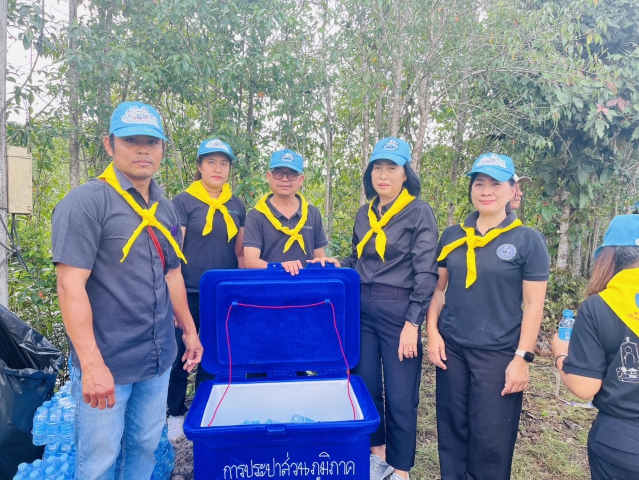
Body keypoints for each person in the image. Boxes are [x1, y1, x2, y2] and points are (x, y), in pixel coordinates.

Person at [52, 101, 203, 480]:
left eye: (151, 142)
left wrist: (189, 331)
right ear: (109, 144)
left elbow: (172, 274)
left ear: (163, 149)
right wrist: (91, 365)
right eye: (131, 140)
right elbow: (70, 287)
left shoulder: (165, 208)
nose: (142, 150)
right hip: (108, 361)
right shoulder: (86, 203)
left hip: (156, 358)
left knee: (145, 447)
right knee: (99, 461)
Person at [311, 137, 439, 480]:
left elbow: (426, 272)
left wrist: (413, 323)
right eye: (377, 167)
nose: (383, 175)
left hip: (400, 312)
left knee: (401, 395)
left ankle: (401, 469)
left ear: (405, 173)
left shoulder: (418, 212)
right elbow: (360, 258)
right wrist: (339, 264)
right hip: (363, 310)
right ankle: (376, 455)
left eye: (391, 168)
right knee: (365, 386)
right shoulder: (364, 213)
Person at [426, 153, 549, 480]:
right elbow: (438, 290)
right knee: (452, 430)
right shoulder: (452, 236)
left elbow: (533, 305)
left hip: (499, 353)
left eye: (495, 183)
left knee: (491, 438)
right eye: (479, 183)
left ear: (512, 190)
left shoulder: (528, 240)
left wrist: (523, 358)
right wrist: (432, 333)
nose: (486, 191)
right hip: (452, 349)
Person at [166, 138, 246, 440]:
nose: (218, 168)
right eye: (211, 162)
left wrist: (242, 292)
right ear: (199, 166)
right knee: (179, 355)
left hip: (223, 295)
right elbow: (174, 255)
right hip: (187, 292)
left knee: (213, 356)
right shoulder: (183, 202)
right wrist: (173, 301)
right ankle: (175, 413)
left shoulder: (236, 205)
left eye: (224, 163)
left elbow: (240, 253)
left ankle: (204, 409)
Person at [552, 214, 639, 480]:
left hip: (623, 442)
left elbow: (584, 387)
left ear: (608, 257)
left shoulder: (600, 307)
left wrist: (560, 352)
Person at [243, 149, 328, 275]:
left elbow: (319, 256)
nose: (284, 179)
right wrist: (279, 268)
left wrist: (327, 263)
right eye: (278, 173)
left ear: (301, 180)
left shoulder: (313, 214)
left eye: (292, 174)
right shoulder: (256, 215)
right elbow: (250, 261)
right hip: (269, 284)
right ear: (269, 176)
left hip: (306, 285)